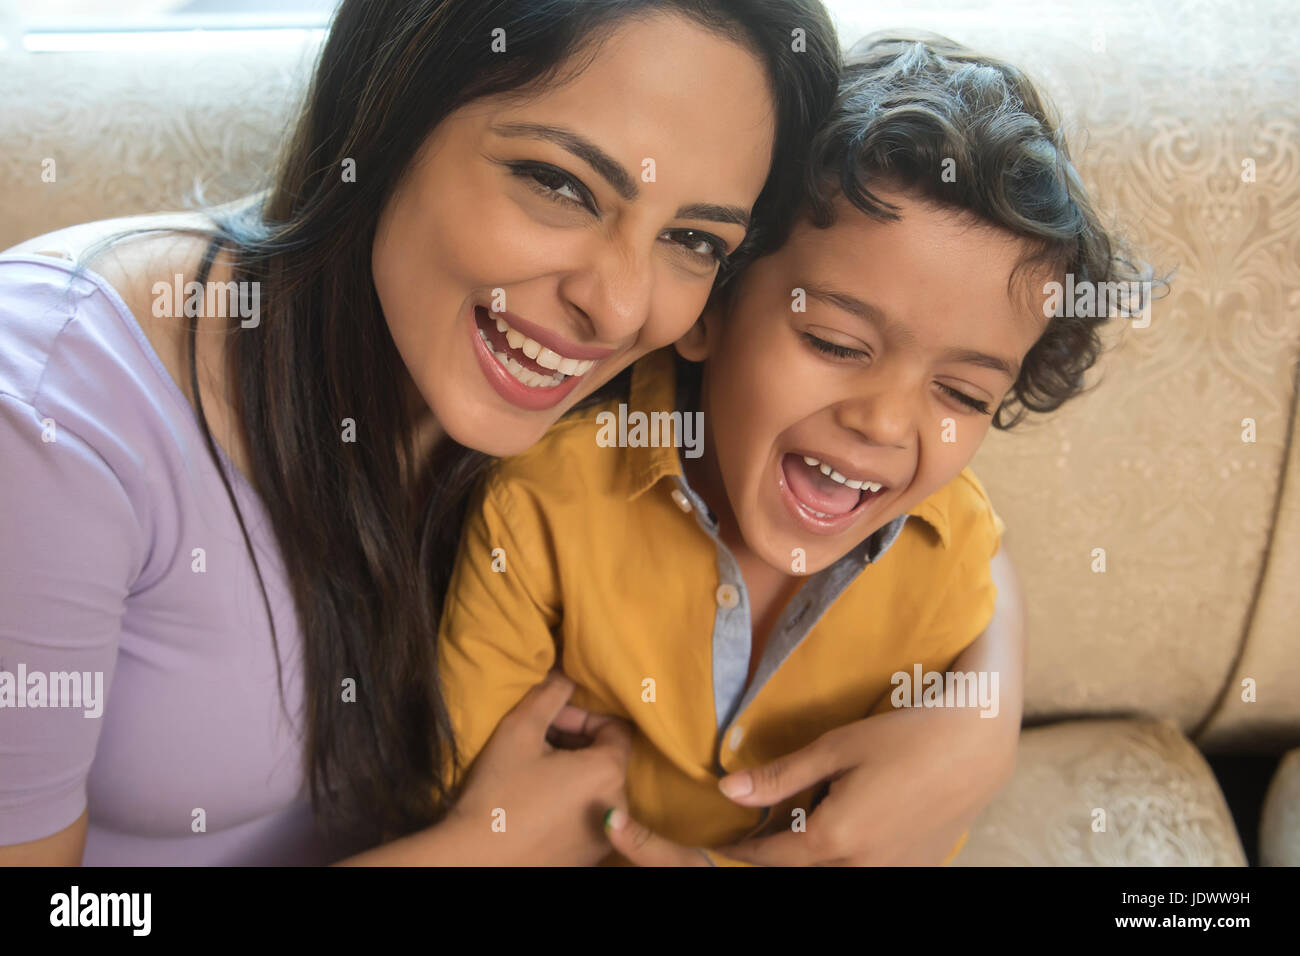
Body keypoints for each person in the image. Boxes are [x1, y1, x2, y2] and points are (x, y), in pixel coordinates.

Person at [0, 0, 842, 865]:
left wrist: (966, 714)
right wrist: (475, 853)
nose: (620, 308)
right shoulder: (46, 414)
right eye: (560, 185)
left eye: (694, 239)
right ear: (389, 110)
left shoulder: (632, 388)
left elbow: (889, 450)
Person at [437, 33, 1151, 865]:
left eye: (961, 394)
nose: (885, 424)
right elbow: (477, 804)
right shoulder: (539, 506)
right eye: (837, 342)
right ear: (712, 302)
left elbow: (909, 835)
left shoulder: (951, 562)